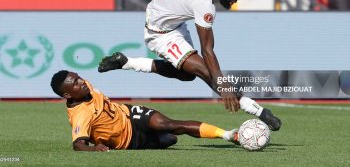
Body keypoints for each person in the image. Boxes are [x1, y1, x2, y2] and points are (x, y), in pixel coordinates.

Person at [98, 0, 281, 131]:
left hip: (171, 22)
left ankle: (127, 62)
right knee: (204, 71)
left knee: (187, 74)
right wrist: (223, 86)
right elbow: (207, 50)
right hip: (160, 33)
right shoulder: (203, 4)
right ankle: (259, 111)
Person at [50, 70, 241, 151]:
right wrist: (93, 149)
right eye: (75, 82)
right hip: (129, 141)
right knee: (169, 139)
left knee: (170, 125)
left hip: (131, 114)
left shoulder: (84, 87)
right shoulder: (81, 115)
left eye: (78, 77)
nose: (82, 81)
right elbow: (78, 145)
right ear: (67, 95)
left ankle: (228, 134)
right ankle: (158, 137)